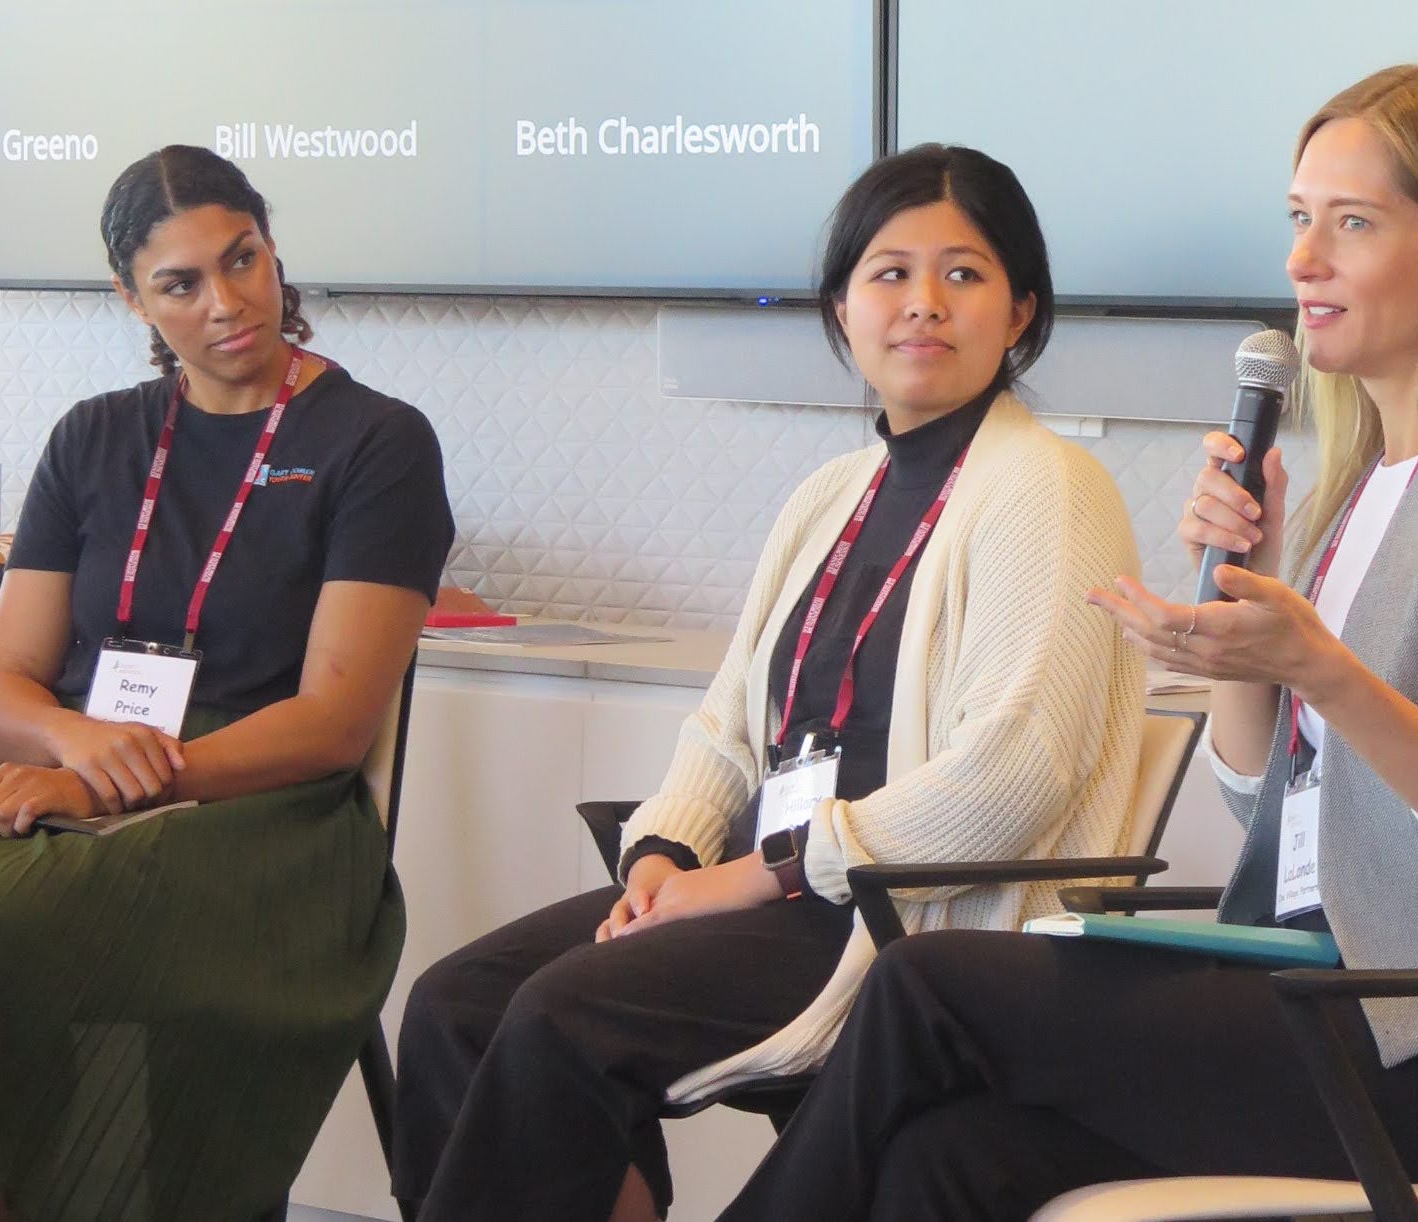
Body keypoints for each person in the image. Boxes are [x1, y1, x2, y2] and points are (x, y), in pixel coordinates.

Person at [718, 55, 1418, 1222]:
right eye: (1300, 220)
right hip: (1322, 978)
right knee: (946, 1159)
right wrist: (1252, 619)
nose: (1303, 261)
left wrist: (1325, 670)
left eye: (1350, 224)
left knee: (925, 989)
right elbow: (1277, 809)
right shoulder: (1373, 475)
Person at [391, 143, 1144, 1221]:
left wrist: (750, 877)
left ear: (1021, 310)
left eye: (963, 275)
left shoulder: (1050, 488)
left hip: (903, 926)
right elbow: (733, 731)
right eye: (889, 274)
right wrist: (663, 853)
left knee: (563, 1016)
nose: (923, 304)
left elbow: (1016, 773)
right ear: (842, 310)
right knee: (455, 1003)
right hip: (776, 892)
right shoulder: (833, 491)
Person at [0, 145, 454, 1222]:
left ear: (276, 254)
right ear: (132, 297)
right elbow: (1, 688)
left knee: (4, 933)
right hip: (74, 768)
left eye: (244, 260)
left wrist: (113, 779)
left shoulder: (379, 443)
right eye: (181, 283)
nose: (228, 303)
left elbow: (332, 723)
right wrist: (77, 749)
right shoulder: (93, 436)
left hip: (270, 813)